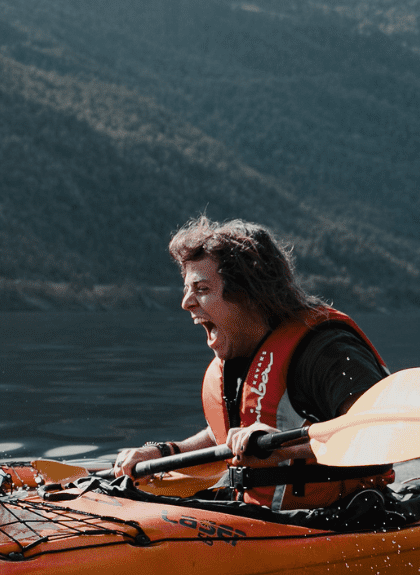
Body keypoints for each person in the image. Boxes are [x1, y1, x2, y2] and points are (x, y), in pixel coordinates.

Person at [114, 217, 390, 510]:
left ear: (249, 294)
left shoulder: (326, 350)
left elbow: (379, 434)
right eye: (187, 289)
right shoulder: (237, 357)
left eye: (202, 289)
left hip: (344, 517)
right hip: (255, 518)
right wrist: (164, 453)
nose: (186, 302)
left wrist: (283, 450)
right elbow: (224, 438)